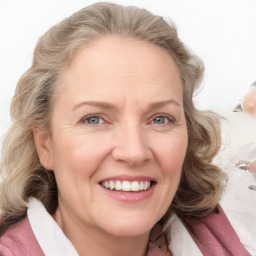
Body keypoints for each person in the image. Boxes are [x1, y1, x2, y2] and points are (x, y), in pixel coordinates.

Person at [0, 2, 254, 255]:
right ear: (44, 144)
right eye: (94, 119)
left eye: (160, 119)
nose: (134, 152)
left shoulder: (238, 235)